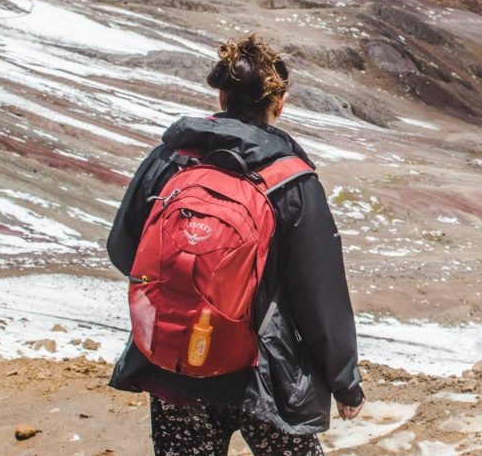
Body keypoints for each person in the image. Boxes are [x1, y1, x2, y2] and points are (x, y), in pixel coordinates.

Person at [107, 34, 364, 455]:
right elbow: (320, 296)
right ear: (277, 106)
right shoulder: (292, 182)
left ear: (222, 96)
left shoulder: (168, 160)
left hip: (174, 364)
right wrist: (345, 384)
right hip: (261, 376)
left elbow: (123, 251)